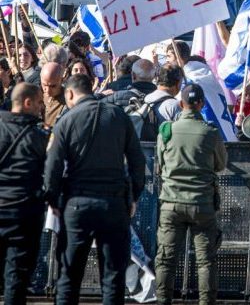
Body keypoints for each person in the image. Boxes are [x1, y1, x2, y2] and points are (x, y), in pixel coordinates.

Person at [44, 73, 145, 305]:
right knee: (112, 278)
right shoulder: (119, 116)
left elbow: (53, 165)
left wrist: (53, 199)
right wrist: (133, 196)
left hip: (77, 204)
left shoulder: (67, 120)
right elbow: (137, 161)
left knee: (69, 277)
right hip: (114, 204)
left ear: (69, 93)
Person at [155, 83, 227, 305]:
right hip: (201, 203)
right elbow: (221, 164)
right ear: (202, 104)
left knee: (166, 260)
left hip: (171, 202)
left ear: (180, 104)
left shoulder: (166, 130)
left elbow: (160, 164)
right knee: (206, 262)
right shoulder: (211, 132)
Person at [0, 83, 49, 305]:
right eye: (39, 102)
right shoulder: (41, 136)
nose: (43, 106)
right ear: (28, 103)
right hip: (24, 214)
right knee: (17, 279)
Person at [40, 62, 66, 127]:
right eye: (44, 85)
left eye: (53, 86)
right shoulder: (37, 95)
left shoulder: (68, 100)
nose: (48, 90)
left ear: (62, 80)